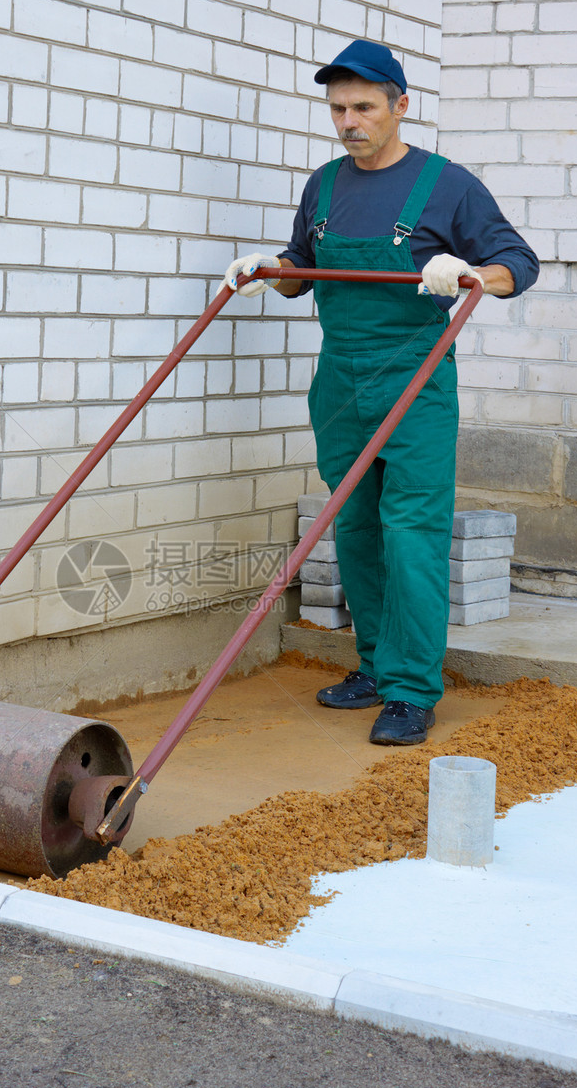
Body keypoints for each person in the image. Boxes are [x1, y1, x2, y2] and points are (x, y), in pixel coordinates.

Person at [222, 40, 538, 745]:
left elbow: (520, 262)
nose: (348, 121)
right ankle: (374, 666)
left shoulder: (447, 185)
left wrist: (467, 271)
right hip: (340, 380)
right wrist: (272, 266)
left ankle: (412, 690)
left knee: (411, 535)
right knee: (356, 529)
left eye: (363, 107)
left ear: (400, 105)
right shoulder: (324, 185)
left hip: (416, 380)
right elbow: (306, 268)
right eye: (337, 108)